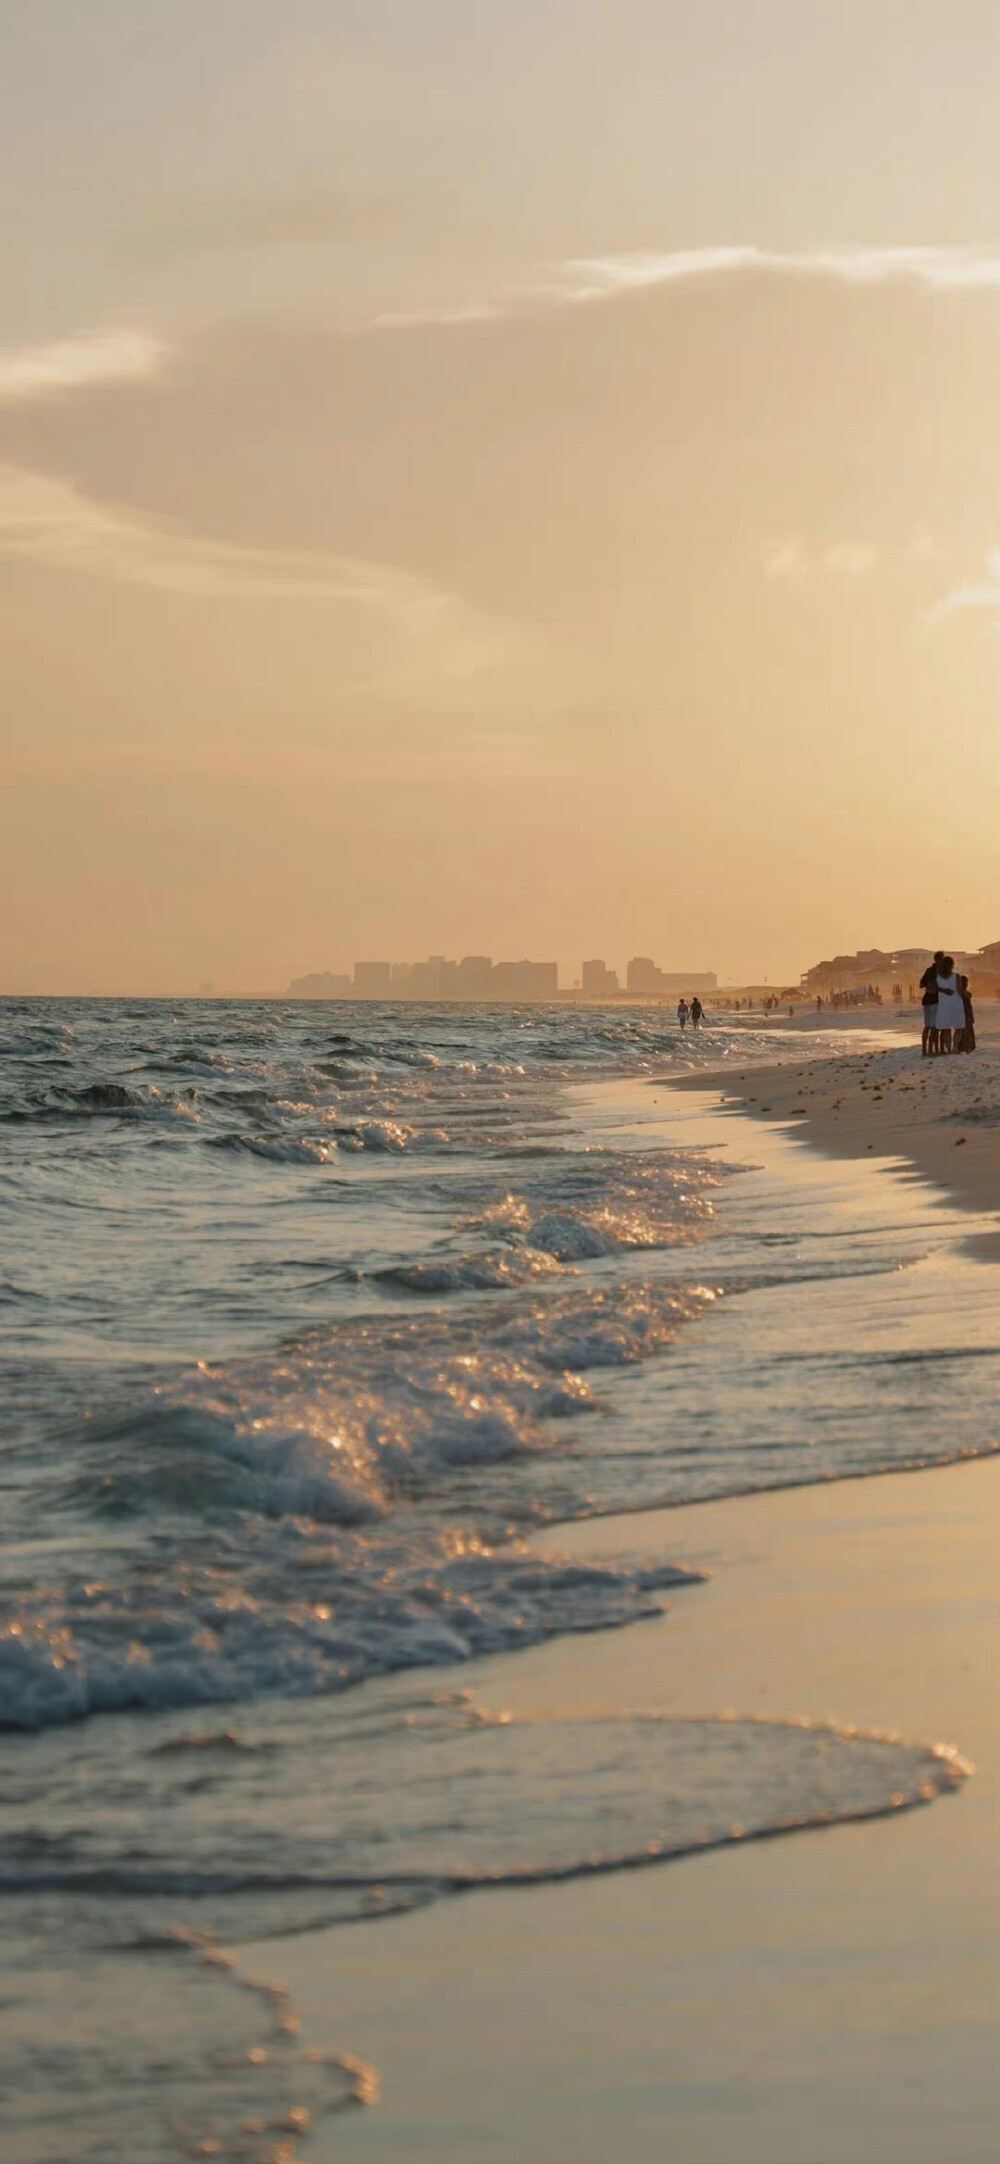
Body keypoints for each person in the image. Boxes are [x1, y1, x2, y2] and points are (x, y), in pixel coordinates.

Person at [934, 957, 964, 1053]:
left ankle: (949, 1049)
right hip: (956, 1004)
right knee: (959, 1028)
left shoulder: (937, 977)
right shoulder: (956, 976)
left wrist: (943, 991)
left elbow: (933, 988)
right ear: (952, 965)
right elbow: (960, 991)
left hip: (944, 1005)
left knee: (946, 1029)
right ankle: (955, 1047)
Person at [919, 951, 945, 1057]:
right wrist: (935, 988)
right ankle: (932, 1050)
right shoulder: (940, 972)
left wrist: (929, 986)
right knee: (934, 1027)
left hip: (926, 1001)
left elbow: (921, 984)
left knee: (927, 1027)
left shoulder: (928, 970)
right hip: (935, 1001)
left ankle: (925, 1049)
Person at [957, 974, 976, 1053]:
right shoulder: (966, 994)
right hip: (966, 1014)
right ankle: (967, 1046)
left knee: (963, 1031)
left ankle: (962, 1046)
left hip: (963, 1014)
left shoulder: (960, 994)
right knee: (967, 1030)